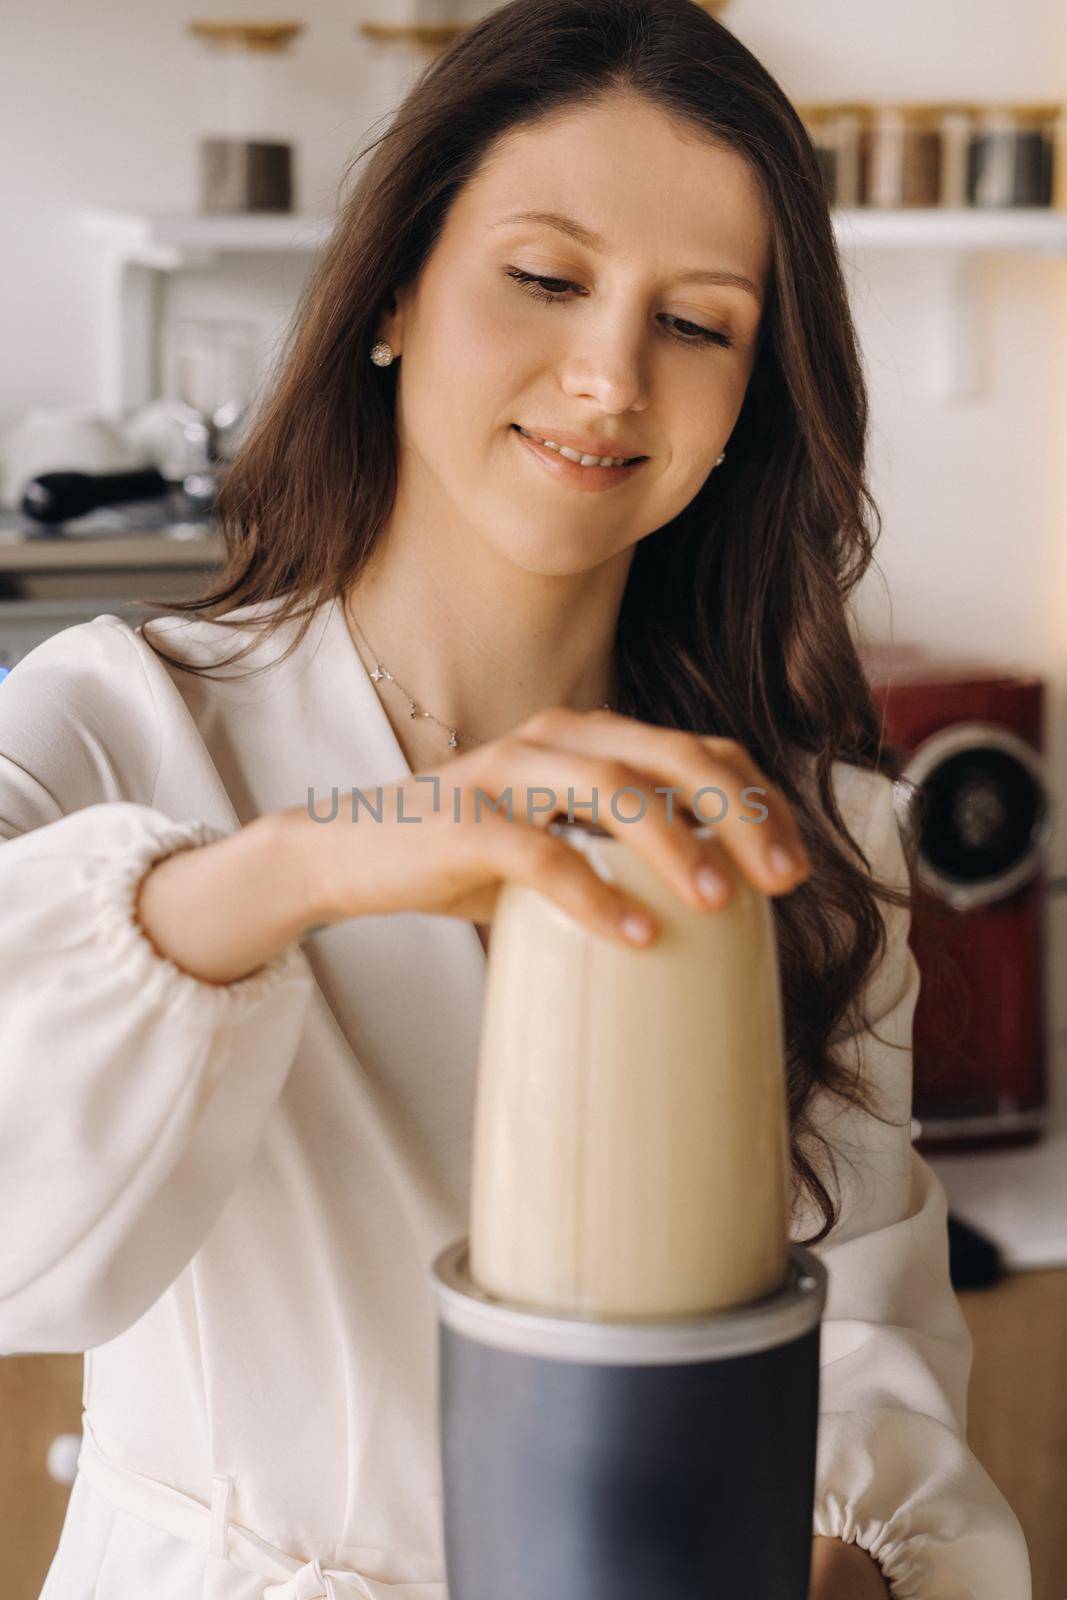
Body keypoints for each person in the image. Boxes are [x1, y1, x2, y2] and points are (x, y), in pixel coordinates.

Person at [0, 0, 1032, 1596]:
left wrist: (838, 1563)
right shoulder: (114, 724)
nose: (609, 374)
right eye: (545, 280)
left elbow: (867, 1353)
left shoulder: (804, 836)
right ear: (397, 292)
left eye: (698, 324)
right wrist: (306, 865)